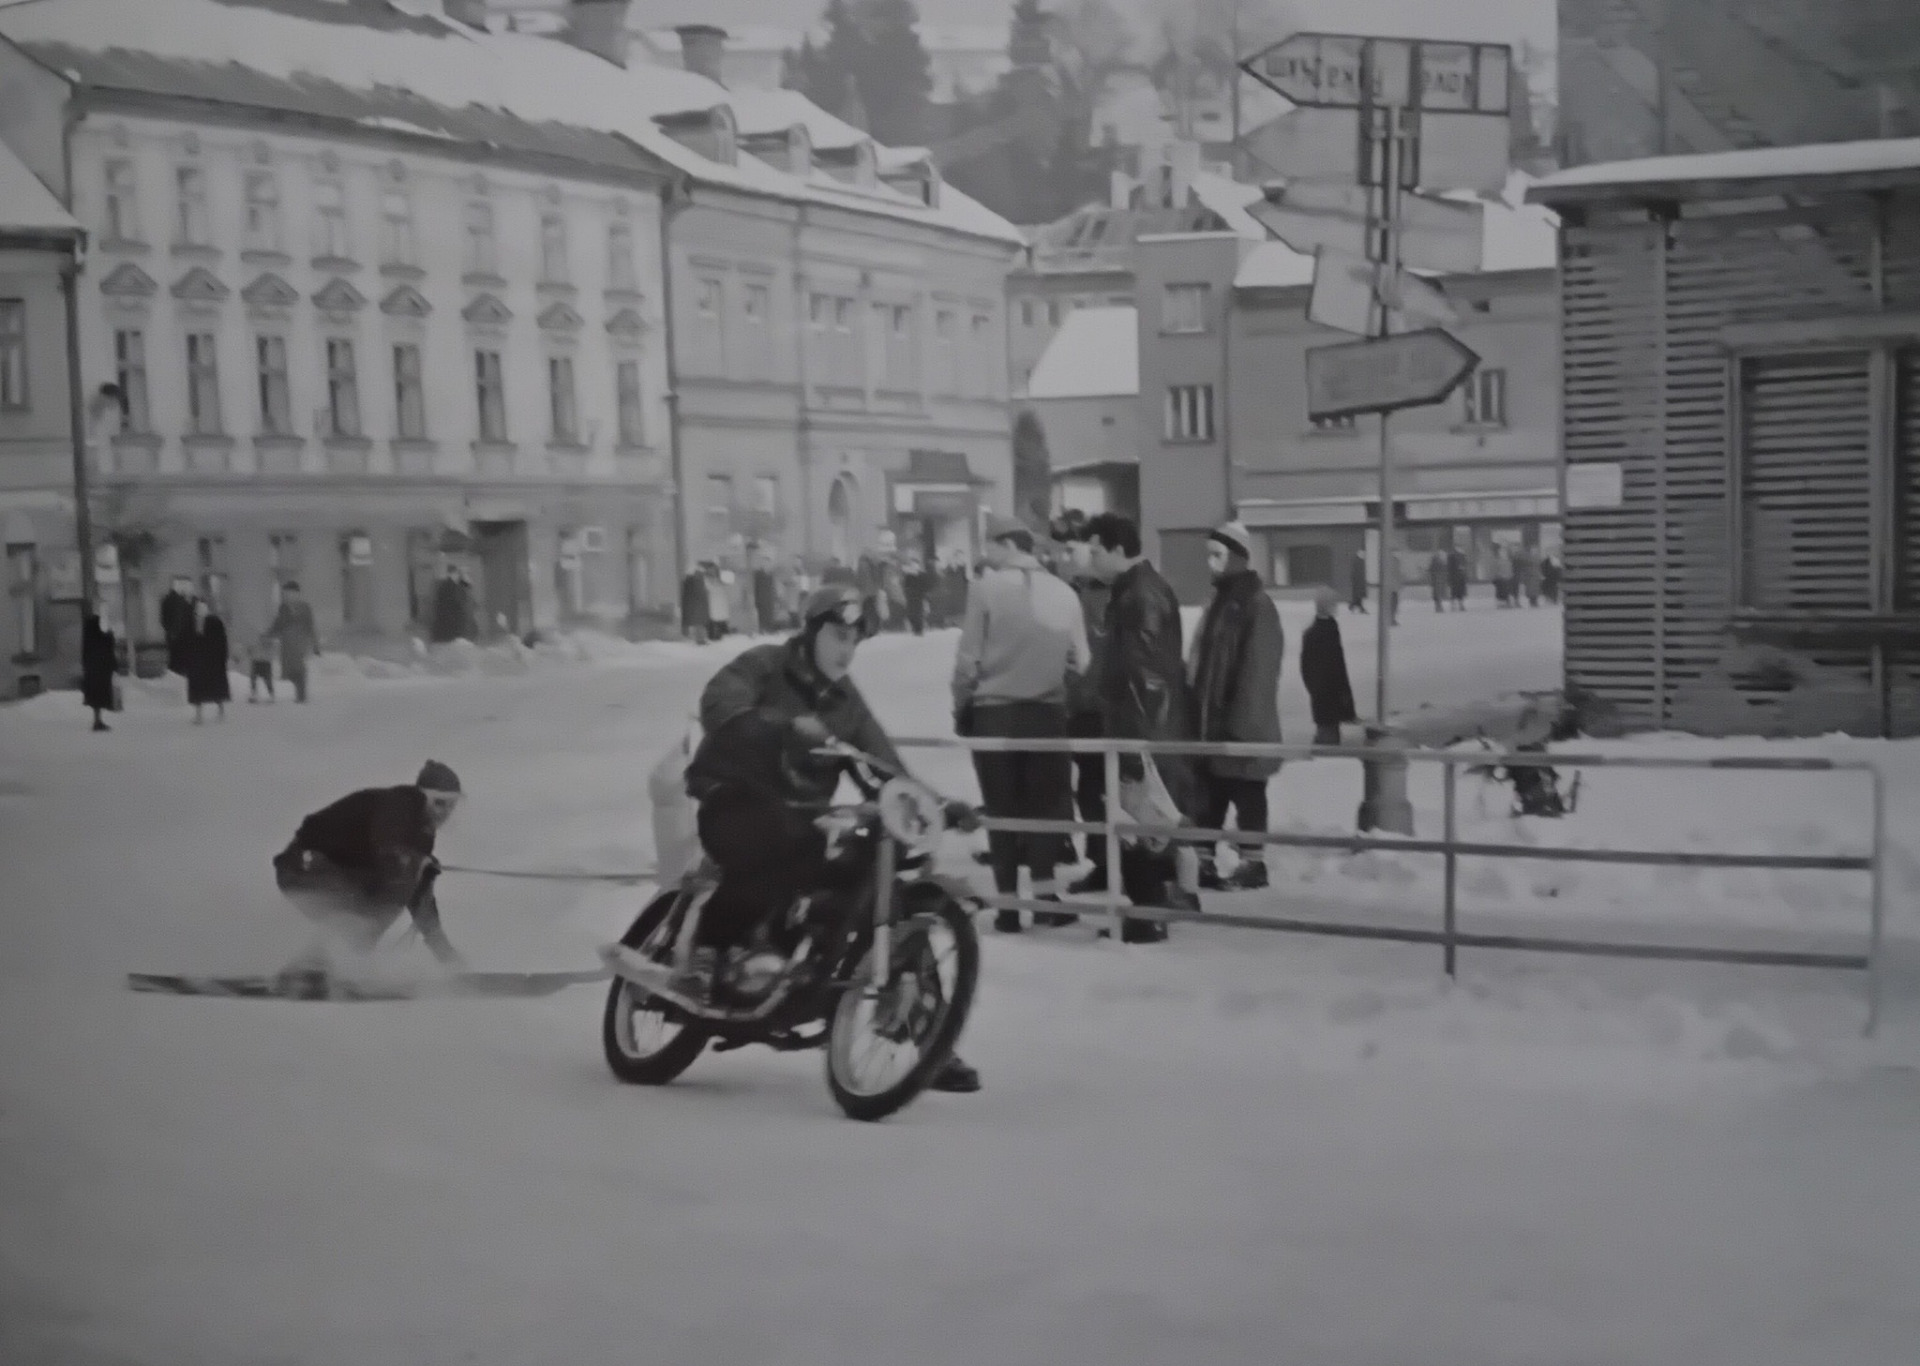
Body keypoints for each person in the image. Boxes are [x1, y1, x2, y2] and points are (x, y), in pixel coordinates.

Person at [685, 584, 984, 1094]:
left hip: (801, 818)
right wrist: (780, 726)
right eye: (839, 635)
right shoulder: (765, 666)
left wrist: (935, 802)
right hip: (732, 799)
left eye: (855, 640)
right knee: (781, 844)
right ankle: (706, 956)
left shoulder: (847, 703)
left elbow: (885, 764)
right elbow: (719, 701)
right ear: (812, 631)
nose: (847, 650)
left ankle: (927, 1033)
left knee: (874, 875)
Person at [952, 514, 1090, 933]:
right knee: (1046, 809)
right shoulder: (1065, 593)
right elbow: (1081, 660)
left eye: (989, 544)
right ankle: (1046, 897)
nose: (985, 554)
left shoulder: (985, 590)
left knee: (1002, 810)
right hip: (1047, 714)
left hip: (994, 715)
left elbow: (967, 661)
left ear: (1008, 544)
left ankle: (1009, 906)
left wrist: (962, 705)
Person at [1083, 512, 1200, 941]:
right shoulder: (1137, 590)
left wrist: (1131, 742)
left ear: (1117, 549)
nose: (1089, 558)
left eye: (1095, 550)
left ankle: (1147, 914)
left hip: (1145, 726)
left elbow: (1142, 674)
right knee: (1144, 819)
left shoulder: (1138, 595)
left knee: (1141, 819)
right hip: (1149, 723)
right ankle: (1154, 905)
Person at [274, 760, 466, 989]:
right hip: (304, 865)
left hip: (337, 871)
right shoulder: (400, 804)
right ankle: (313, 966)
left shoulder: (422, 832)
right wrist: (415, 861)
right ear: (423, 796)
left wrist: (445, 954)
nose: (445, 812)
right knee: (356, 911)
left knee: (380, 903)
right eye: (439, 803)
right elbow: (386, 846)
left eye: (451, 806)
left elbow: (417, 890)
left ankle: (329, 963)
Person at [1188, 522, 1284, 893]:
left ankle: (1253, 862)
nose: (1212, 563)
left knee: (1247, 792)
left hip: (1240, 724)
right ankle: (1203, 859)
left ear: (1238, 558)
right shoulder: (1220, 602)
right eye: (1209, 555)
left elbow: (1258, 670)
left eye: (1219, 555)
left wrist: (1241, 725)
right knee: (1210, 792)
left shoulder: (1255, 605)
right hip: (1214, 721)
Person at [1301, 586, 1359, 746]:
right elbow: (1337, 669)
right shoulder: (1327, 632)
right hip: (1329, 697)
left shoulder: (1314, 633)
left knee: (1327, 735)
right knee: (1329, 742)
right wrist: (1345, 701)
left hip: (1323, 697)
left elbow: (1306, 669)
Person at [268, 580, 319, 703]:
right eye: (285, 593)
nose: (287, 596)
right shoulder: (283, 607)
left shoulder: (305, 607)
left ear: (297, 593)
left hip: (299, 642)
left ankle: (301, 695)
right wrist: (269, 633)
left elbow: (310, 626)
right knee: (289, 670)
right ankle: (297, 693)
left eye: (290, 593)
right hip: (287, 643)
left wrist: (315, 644)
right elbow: (278, 624)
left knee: (298, 668)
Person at [183, 596, 231, 724]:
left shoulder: (215, 622)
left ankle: (220, 710)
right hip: (198, 661)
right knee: (199, 688)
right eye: (198, 607)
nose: (200, 610)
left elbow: (222, 641)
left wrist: (223, 657)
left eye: (202, 607)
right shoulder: (191, 623)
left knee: (215, 687)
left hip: (212, 660)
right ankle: (199, 714)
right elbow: (186, 642)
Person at [81, 602, 118, 733]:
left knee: (95, 700)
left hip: (92, 674)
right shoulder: (98, 639)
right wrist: (110, 637)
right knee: (99, 698)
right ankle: (97, 721)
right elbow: (105, 649)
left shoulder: (88, 638)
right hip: (100, 674)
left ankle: (97, 720)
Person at [1348, 548, 1368, 615]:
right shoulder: (1356, 561)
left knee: (1359, 595)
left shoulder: (1361, 561)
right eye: (1362, 553)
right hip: (1357, 581)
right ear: (1359, 553)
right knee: (1357, 595)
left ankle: (1356, 607)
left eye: (1364, 554)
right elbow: (1354, 572)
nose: (1363, 555)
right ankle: (1353, 606)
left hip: (1360, 581)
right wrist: (1355, 580)